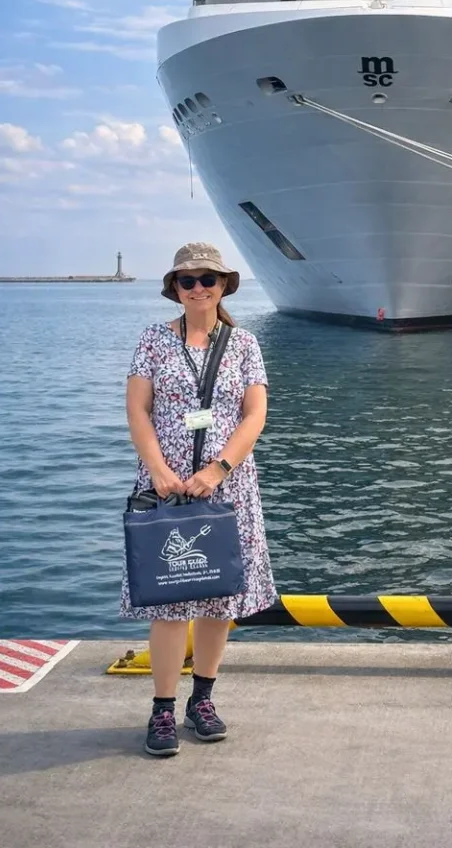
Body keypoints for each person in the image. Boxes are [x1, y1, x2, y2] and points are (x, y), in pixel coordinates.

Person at [121, 242, 276, 757]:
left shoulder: (244, 344)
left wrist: (218, 468)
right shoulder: (151, 341)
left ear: (224, 284)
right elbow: (139, 411)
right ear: (175, 289)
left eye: (208, 278)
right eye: (187, 281)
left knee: (218, 598)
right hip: (164, 490)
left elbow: (254, 414)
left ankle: (202, 700)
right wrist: (161, 472)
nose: (198, 288)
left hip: (227, 488)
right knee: (168, 601)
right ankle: (162, 709)